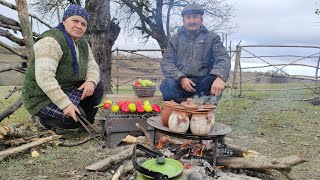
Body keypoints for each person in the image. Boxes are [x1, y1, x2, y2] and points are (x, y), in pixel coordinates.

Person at [22, 4, 104, 129]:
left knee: (97, 86)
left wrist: (91, 81)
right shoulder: (50, 41)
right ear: (64, 21)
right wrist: (65, 105)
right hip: (41, 97)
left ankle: (85, 124)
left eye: (83, 24)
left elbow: (92, 66)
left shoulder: (82, 43)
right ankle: (45, 121)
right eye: (75, 21)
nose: (79, 26)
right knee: (73, 118)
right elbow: (45, 78)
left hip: (67, 88)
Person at [160, 4, 231, 104]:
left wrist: (220, 77)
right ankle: (180, 110)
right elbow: (166, 62)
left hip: (203, 84)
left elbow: (223, 58)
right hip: (180, 83)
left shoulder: (212, 38)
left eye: (195, 17)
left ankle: (205, 111)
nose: (192, 21)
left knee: (213, 80)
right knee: (167, 84)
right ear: (183, 20)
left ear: (201, 20)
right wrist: (181, 78)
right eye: (188, 17)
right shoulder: (175, 39)